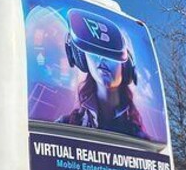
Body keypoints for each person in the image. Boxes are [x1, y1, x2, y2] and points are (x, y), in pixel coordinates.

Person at [58, 8, 148, 140]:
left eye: (112, 53)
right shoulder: (65, 125)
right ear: (82, 59)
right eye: (93, 51)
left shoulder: (141, 139)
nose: (101, 59)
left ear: (127, 66)